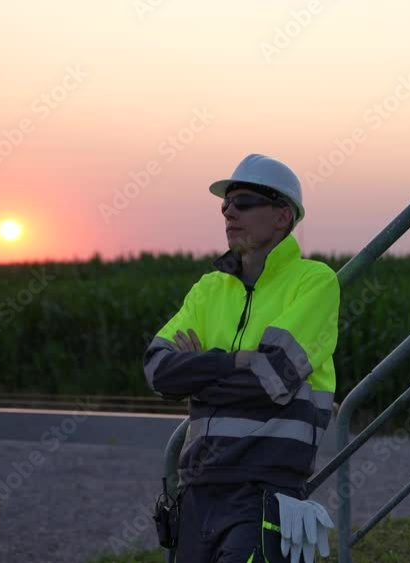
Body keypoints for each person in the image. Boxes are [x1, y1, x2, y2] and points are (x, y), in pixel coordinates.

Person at [143, 154, 340, 562]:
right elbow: (157, 370)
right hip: (196, 490)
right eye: (225, 205)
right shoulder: (208, 288)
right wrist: (235, 361)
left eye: (244, 202)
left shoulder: (315, 282)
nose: (229, 211)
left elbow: (271, 376)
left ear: (282, 215)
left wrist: (197, 375)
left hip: (264, 491)